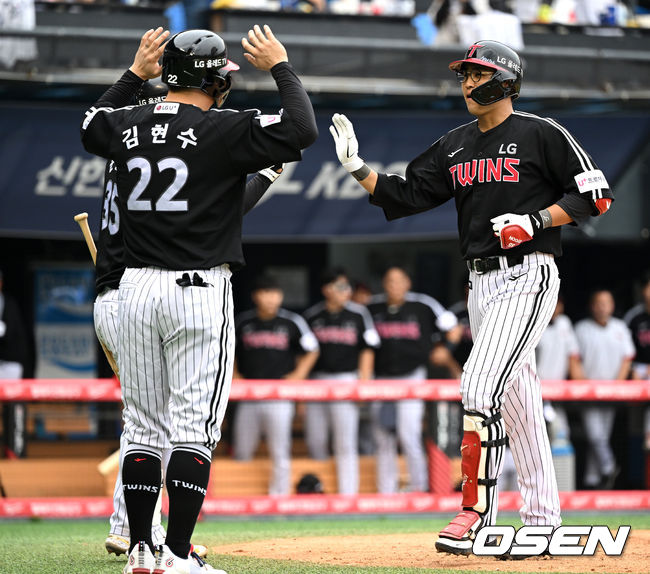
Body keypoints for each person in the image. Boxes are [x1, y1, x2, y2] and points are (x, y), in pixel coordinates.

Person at [329, 39, 614, 556]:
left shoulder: (539, 132)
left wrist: (534, 220)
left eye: (477, 74)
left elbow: (596, 196)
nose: (466, 83)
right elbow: (407, 193)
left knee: (479, 386)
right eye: (464, 75)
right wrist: (356, 167)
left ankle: (476, 513)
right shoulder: (455, 143)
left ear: (505, 80)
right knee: (520, 403)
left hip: (528, 274)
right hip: (480, 283)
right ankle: (544, 521)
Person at [81, 24, 317, 574]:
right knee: (192, 429)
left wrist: (134, 74)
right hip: (197, 290)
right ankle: (180, 555)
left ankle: (142, 552)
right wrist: (280, 65)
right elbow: (302, 128)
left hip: (133, 287)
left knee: (141, 425)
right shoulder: (224, 128)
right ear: (214, 79)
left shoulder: (127, 122)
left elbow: (89, 126)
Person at [366, 266, 459, 493]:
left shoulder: (422, 304)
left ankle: (418, 488)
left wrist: (445, 349)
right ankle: (385, 492)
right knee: (382, 436)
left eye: (399, 281)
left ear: (408, 283)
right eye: (390, 281)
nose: (394, 285)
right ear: (384, 284)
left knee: (409, 434)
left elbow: (454, 329)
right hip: (381, 377)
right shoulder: (372, 307)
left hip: (412, 376)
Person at [232, 274, 319, 495]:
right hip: (249, 394)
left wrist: (299, 374)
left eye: (275, 293)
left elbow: (312, 349)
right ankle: (240, 497)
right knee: (242, 448)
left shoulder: (292, 321)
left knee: (280, 451)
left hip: (279, 393)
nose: (271, 298)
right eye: (266, 293)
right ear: (256, 296)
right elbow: (227, 350)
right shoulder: (244, 322)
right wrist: (234, 374)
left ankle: (279, 498)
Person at [302, 268, 380, 494]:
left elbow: (368, 348)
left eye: (348, 287)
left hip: (347, 379)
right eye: (340, 287)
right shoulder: (313, 316)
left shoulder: (358, 314)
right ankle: (318, 491)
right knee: (315, 439)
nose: (346, 291)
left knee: (345, 442)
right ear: (326, 290)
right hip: (317, 381)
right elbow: (303, 354)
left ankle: (349, 495)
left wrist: (363, 382)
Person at [575, 289, 634, 489]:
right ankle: (609, 468)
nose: (602, 307)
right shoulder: (582, 328)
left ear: (612, 306)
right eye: (598, 303)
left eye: (606, 303)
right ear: (592, 306)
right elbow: (574, 360)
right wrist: (583, 383)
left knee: (601, 437)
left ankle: (592, 480)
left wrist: (617, 386)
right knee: (595, 436)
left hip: (611, 391)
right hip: (589, 392)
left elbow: (628, 358)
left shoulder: (620, 327)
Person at [0, 269, 30, 459]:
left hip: (10, 363)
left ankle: (14, 449)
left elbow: (12, 334)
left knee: (13, 407)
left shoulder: (9, 303)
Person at [623, 272, 650, 453]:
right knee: (635, 426)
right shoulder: (633, 317)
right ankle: (634, 478)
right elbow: (625, 350)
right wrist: (633, 369)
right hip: (638, 372)